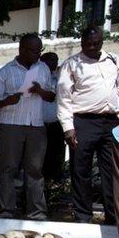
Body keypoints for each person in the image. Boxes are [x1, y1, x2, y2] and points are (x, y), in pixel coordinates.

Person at [57, 26, 119, 224]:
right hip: (83, 122)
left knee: (111, 171)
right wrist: (68, 128)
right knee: (81, 170)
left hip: (111, 122)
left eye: (96, 43)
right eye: (87, 44)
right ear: (82, 43)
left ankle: (112, 217)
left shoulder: (114, 60)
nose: (91, 47)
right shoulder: (71, 64)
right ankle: (83, 216)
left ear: (102, 41)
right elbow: (63, 98)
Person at [0, 34, 55, 219]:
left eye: (39, 50)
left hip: (36, 124)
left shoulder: (43, 68)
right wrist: (8, 100)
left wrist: (39, 90)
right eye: (34, 51)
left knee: (35, 170)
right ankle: (7, 210)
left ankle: (36, 212)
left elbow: (51, 96)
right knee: (8, 168)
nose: (37, 54)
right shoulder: (5, 71)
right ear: (22, 49)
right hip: (11, 125)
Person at [39, 52, 66, 187]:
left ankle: (53, 186)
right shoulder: (36, 77)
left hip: (56, 124)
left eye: (55, 60)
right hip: (39, 124)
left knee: (55, 158)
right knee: (39, 160)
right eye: (49, 60)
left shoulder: (59, 78)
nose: (53, 63)